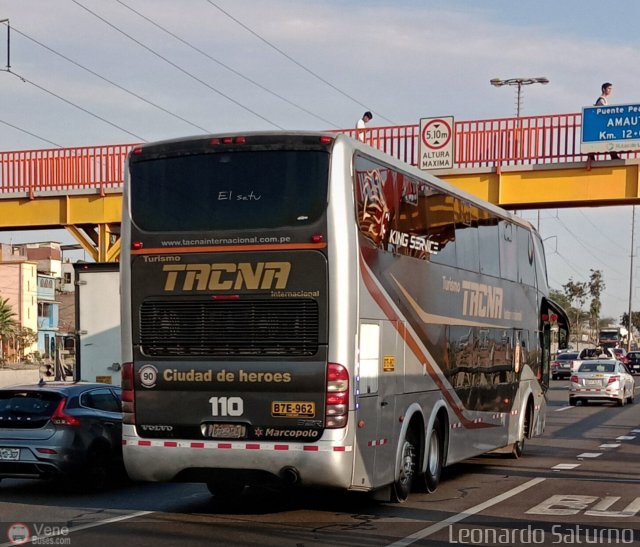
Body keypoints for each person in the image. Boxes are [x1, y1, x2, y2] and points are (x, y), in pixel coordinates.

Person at [594, 82, 620, 159]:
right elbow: (605, 112)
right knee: (609, 138)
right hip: (600, 125)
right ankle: (613, 155)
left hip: (601, 124)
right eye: (609, 88)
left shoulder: (603, 99)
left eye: (611, 89)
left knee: (608, 139)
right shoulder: (601, 100)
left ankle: (613, 155)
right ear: (603, 89)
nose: (610, 91)